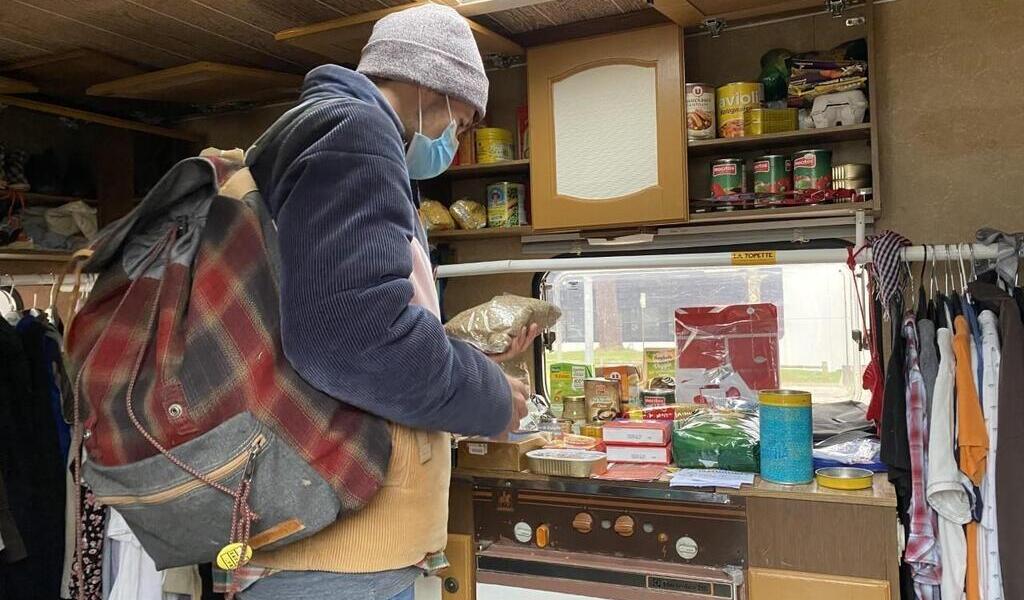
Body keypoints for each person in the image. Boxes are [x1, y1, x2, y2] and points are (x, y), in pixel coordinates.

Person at [239, 4, 536, 599]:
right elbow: (351, 340)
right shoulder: (357, 134)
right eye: (462, 122)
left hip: (322, 541)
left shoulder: (320, 130)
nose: (455, 139)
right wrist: (491, 397)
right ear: (432, 85)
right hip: (337, 556)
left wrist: (470, 357)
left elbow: (339, 317)